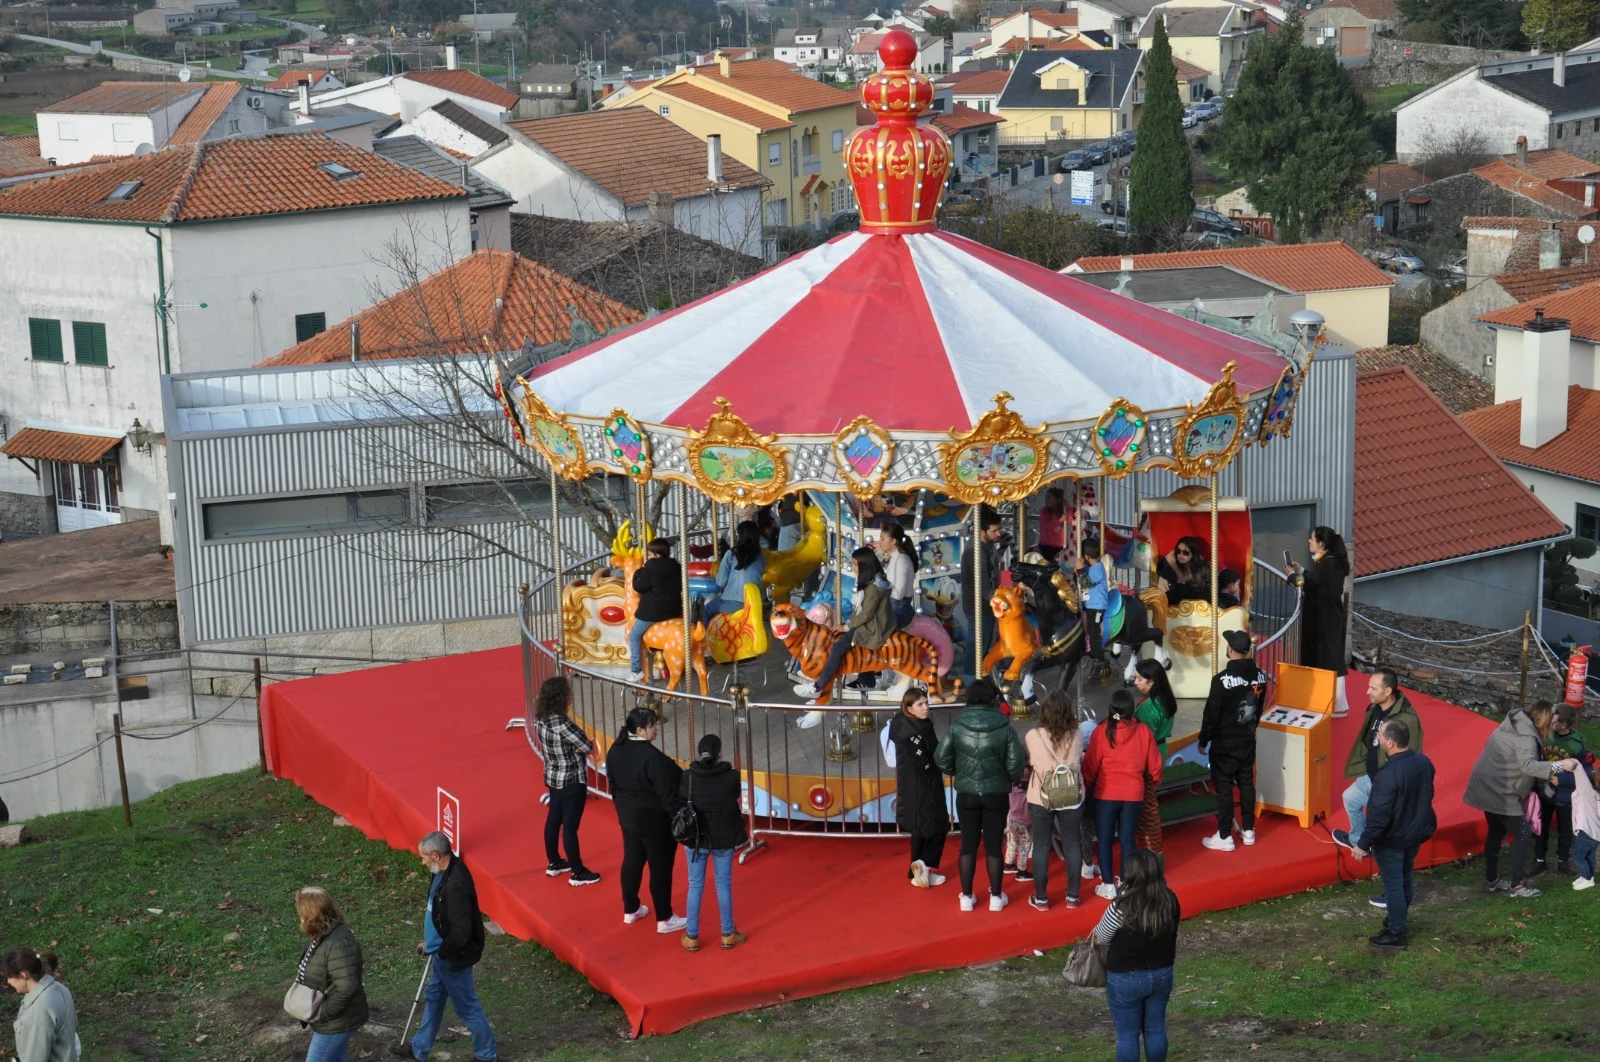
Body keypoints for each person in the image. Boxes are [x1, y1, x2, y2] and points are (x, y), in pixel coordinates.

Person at [394, 832, 496, 1062]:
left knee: (468, 1008)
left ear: (435, 855)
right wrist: (429, 943)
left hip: (452, 958)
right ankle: (420, 1049)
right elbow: (438, 916)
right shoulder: (442, 872)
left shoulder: (456, 884)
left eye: (423, 857)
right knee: (434, 998)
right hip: (442, 953)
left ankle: (487, 1055)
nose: (422, 862)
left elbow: (461, 932)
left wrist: (440, 950)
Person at [1463, 701, 1579, 899]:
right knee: (1523, 833)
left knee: (1496, 831)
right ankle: (1517, 885)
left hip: (1486, 784)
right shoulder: (1526, 736)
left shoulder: (1512, 723)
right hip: (1500, 790)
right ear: (1543, 719)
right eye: (1552, 721)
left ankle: (1491, 880)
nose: (1553, 725)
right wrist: (1561, 765)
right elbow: (1527, 766)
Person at [934, 678, 1026, 912]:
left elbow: (940, 756)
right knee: (994, 845)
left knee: (968, 844)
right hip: (996, 793)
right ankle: (996, 896)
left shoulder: (957, 726)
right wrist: (1008, 778)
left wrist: (957, 771)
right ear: (992, 699)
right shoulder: (1005, 727)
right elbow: (1017, 763)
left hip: (966, 792)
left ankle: (966, 896)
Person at [1350, 721, 1436, 950]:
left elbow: (1379, 815)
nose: (1377, 737)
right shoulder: (1423, 762)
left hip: (1393, 840)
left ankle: (1396, 932)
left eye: (1379, 734)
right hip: (1414, 834)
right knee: (1405, 877)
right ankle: (1397, 920)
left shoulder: (1387, 775)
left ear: (1391, 742)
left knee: (1394, 885)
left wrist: (1362, 844)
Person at [1090, 849, 1180, 1062]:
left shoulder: (1120, 906)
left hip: (1125, 977)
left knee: (1128, 1036)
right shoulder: (1170, 900)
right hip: (1162, 973)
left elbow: (1101, 937)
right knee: (1156, 1029)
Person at [605, 705, 686, 932]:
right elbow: (668, 794)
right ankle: (665, 918)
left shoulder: (616, 748)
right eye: (652, 725)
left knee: (632, 860)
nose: (656, 729)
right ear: (640, 730)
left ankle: (631, 909)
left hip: (628, 818)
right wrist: (679, 822)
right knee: (660, 869)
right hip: (655, 821)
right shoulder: (652, 757)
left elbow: (612, 783)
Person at [1332, 669, 1422, 871]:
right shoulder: (1376, 707)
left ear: (1388, 691)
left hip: (1386, 782)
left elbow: (1410, 756)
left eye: (1373, 688)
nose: (1367, 691)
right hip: (1370, 776)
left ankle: (1385, 873)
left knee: (1383, 824)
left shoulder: (1407, 720)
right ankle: (1358, 839)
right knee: (1350, 799)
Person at [1083, 690, 1161, 899]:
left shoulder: (1101, 731)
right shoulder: (1143, 731)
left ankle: (1108, 883)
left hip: (1106, 794)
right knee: (1128, 839)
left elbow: (1090, 764)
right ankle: (1127, 881)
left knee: (1105, 839)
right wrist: (1154, 780)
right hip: (1134, 794)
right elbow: (1155, 764)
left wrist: (1086, 784)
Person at [1197, 630, 1268, 853]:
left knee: (1225, 787)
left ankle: (1225, 834)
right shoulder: (1261, 676)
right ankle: (1248, 830)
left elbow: (1211, 715)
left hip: (1225, 743)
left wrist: (1203, 740)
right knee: (1246, 782)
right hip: (1247, 738)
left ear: (1230, 649)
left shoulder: (1220, 681)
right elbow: (1260, 707)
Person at [798, 546, 896, 704]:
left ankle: (819, 686)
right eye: (853, 563)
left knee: (837, 649)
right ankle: (866, 675)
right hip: (869, 622)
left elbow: (866, 614)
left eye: (856, 564)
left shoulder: (873, 589)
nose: (854, 567)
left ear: (865, 566)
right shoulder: (872, 583)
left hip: (872, 627)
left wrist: (846, 627)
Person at [679, 734, 748, 952]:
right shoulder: (731, 777)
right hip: (723, 838)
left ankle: (692, 936)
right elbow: (734, 797)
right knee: (723, 885)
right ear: (719, 754)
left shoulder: (689, 777)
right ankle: (727, 934)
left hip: (697, 838)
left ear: (700, 753)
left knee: (695, 886)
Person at [533, 676, 600, 887]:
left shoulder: (541, 719)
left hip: (553, 776)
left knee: (554, 819)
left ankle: (554, 862)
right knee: (570, 827)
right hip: (572, 779)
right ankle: (577, 872)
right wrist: (580, 747)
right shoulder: (563, 724)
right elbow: (588, 746)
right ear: (561, 697)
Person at [292, 887, 369, 1062]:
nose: (299, 916)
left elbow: (347, 986)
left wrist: (323, 1014)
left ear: (310, 914)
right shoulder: (322, 936)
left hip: (338, 1021)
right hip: (333, 1020)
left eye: (301, 911)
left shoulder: (339, 942)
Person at [1025, 690, 1086, 909]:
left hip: (1041, 796)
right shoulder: (1077, 735)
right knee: (1072, 844)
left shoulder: (1033, 736)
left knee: (1040, 846)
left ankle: (1041, 898)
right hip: (1072, 795)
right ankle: (1073, 896)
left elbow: (1031, 762)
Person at [890, 688, 951, 888]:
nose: (925, 708)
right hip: (923, 785)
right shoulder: (913, 732)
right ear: (909, 708)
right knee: (937, 824)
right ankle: (923, 863)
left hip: (914, 785)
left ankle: (918, 870)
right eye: (920, 705)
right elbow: (922, 762)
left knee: (921, 828)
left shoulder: (909, 724)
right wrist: (942, 762)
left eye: (926, 703)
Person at [1288, 526, 1351, 717]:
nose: (1309, 541)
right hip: (1327, 617)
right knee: (1328, 658)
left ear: (1321, 544)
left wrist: (1292, 575)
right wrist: (1303, 570)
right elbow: (1317, 580)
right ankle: (1330, 702)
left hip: (1327, 618)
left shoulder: (1329, 563)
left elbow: (1308, 583)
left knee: (1332, 660)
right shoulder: (1329, 562)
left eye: (1312, 539)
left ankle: (1339, 704)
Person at [1536, 704, 1595, 875]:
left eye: (1555, 721)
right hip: (1545, 789)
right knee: (1541, 826)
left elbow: (1586, 770)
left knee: (1565, 829)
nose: (1551, 722)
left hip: (1566, 793)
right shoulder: (1546, 736)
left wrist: (1561, 779)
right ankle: (1539, 860)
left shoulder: (1576, 744)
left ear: (1563, 724)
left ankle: (1563, 861)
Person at [1131, 660, 1178, 857]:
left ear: (1151, 682)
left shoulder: (1148, 707)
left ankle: (1152, 853)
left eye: (1139, 679)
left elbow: (1144, 740)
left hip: (1148, 757)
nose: (1135, 682)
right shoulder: (1164, 699)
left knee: (1148, 809)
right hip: (1160, 751)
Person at [3, 948, 78, 1062]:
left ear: (23, 975)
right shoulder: (59, 988)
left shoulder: (37, 1013)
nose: (8, 981)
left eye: (10, 977)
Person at [628, 537, 682, 683]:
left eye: (650, 555)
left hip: (654, 612)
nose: (648, 558)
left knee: (633, 635)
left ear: (657, 556)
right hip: (673, 610)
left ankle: (636, 670)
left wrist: (638, 573)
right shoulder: (677, 567)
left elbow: (638, 587)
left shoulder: (650, 569)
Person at [706, 520, 765, 620]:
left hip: (734, 603)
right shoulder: (761, 557)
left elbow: (721, 582)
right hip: (756, 603)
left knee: (708, 608)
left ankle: (704, 635)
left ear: (741, 536)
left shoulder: (731, 554)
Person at [1078, 537, 1113, 672]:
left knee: (1094, 632)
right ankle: (1089, 650)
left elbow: (1087, 583)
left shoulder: (1098, 568)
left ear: (1086, 556)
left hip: (1097, 607)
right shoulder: (1090, 567)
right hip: (1089, 605)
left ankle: (1099, 660)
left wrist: (1080, 570)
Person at [879, 522, 919, 630]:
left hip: (899, 609)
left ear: (893, 541)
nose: (879, 542)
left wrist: (880, 584)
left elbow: (898, 595)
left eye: (882, 539)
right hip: (894, 606)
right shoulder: (895, 557)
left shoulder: (901, 560)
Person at [1156, 536, 1209, 606]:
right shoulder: (1169, 568)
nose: (1180, 555)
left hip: (1199, 605)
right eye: (1178, 551)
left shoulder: (1201, 567)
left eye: (1185, 552)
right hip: (1174, 607)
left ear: (1193, 553)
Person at [1572, 766, 1599, 890]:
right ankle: (1587, 876)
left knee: (1579, 855)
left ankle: (1587, 878)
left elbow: (1578, 772)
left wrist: (1574, 764)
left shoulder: (1587, 793)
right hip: (1595, 832)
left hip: (1587, 831)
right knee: (1590, 855)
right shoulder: (1596, 795)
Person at [1036, 487, 1066, 563]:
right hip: (1046, 547)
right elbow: (1048, 524)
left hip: (1060, 547)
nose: (1046, 499)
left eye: (1049, 497)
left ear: (1058, 500)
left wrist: (1068, 506)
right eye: (1046, 497)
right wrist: (1060, 520)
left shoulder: (1062, 512)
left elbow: (1071, 519)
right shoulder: (1044, 512)